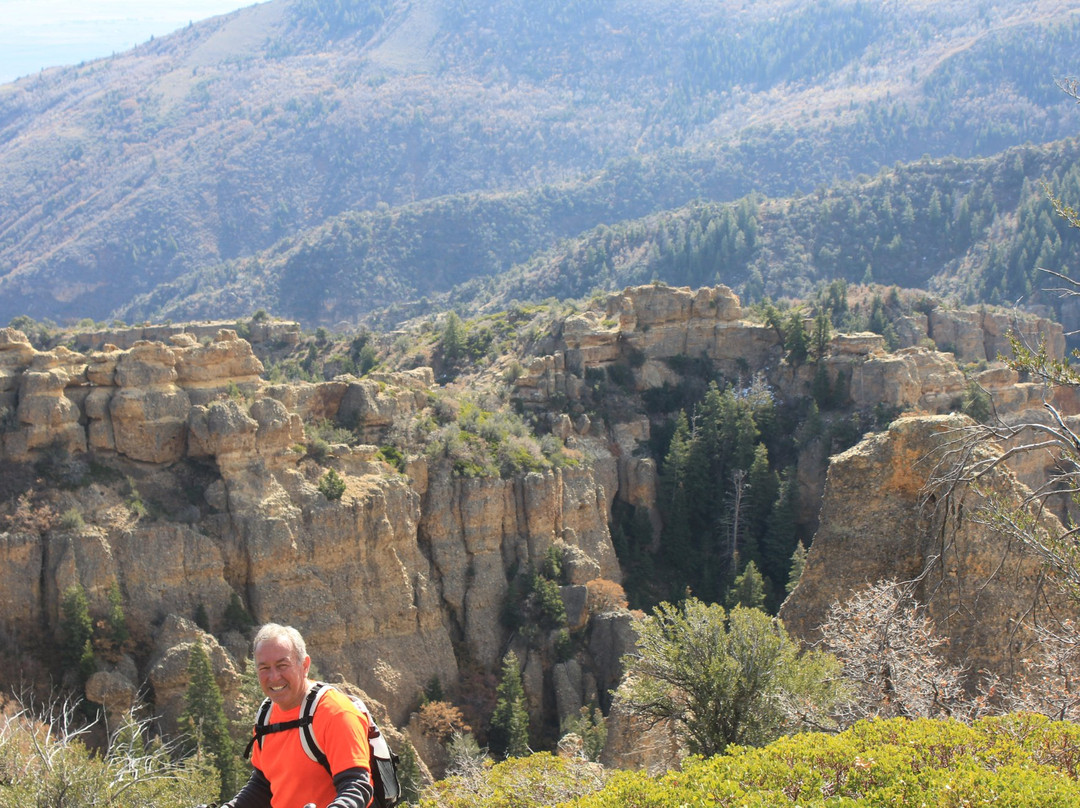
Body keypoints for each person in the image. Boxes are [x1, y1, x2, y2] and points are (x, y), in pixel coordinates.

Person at [221, 623, 374, 808]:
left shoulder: (335, 713)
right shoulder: (266, 715)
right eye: (264, 668)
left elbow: (357, 786)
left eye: (282, 665)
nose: (274, 676)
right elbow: (262, 785)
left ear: (305, 665)